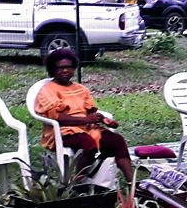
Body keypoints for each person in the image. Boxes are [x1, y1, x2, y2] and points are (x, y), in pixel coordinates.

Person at [34, 48, 134, 182]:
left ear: (74, 68)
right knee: (87, 143)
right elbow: (57, 118)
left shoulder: (81, 89)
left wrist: (103, 119)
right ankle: (76, 183)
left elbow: (90, 111)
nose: (65, 71)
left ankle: (133, 183)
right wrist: (86, 119)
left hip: (87, 128)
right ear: (52, 69)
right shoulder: (48, 90)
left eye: (69, 67)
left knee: (117, 140)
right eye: (60, 68)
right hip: (62, 132)